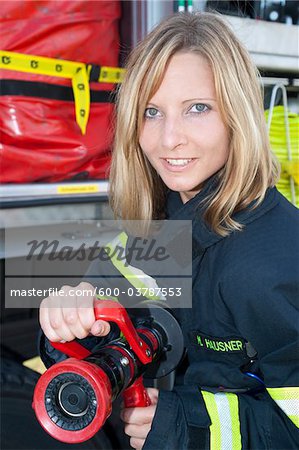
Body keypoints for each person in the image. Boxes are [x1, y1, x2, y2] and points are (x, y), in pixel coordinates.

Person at [39, 12, 299, 450]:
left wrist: (187, 426)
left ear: (237, 113)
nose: (168, 139)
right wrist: (70, 317)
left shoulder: (270, 264)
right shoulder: (160, 223)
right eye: (151, 112)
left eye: (197, 108)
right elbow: (108, 297)